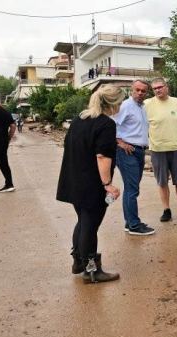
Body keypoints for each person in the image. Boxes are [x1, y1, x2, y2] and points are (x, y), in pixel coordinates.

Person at [56, 84, 124, 284]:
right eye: (120, 102)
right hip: (92, 184)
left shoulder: (80, 119)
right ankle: (91, 270)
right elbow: (102, 156)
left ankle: (78, 261)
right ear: (112, 103)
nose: (120, 106)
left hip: (74, 179)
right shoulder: (105, 124)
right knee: (90, 224)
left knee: (83, 220)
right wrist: (108, 184)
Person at [145, 78, 177, 222]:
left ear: (166, 87)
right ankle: (166, 210)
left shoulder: (176, 102)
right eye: (154, 88)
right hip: (157, 149)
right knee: (162, 182)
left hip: (176, 149)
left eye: (160, 87)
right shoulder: (147, 104)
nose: (157, 90)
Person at [115, 80, 155, 236]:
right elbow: (111, 124)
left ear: (146, 93)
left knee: (131, 189)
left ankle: (129, 222)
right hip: (127, 151)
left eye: (143, 91)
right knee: (132, 189)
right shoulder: (125, 106)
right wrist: (120, 142)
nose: (140, 93)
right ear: (131, 90)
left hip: (139, 151)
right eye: (137, 90)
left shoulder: (142, 107)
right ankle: (134, 225)